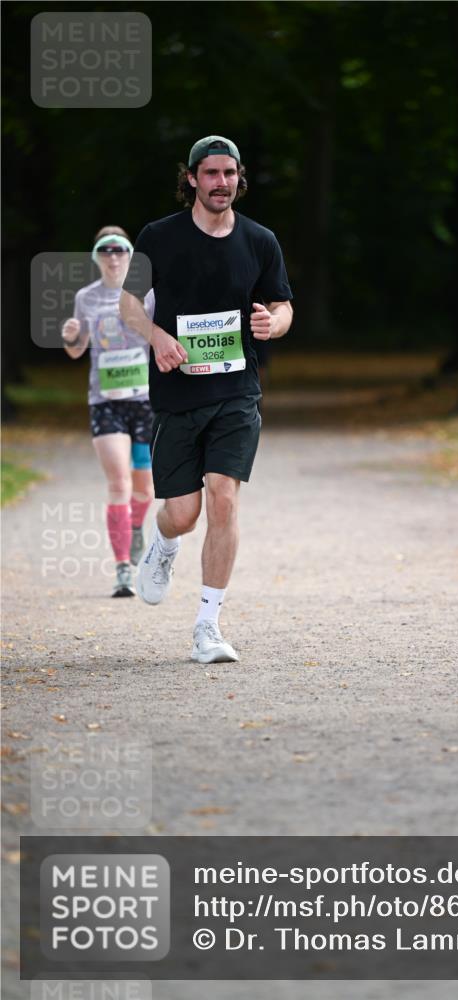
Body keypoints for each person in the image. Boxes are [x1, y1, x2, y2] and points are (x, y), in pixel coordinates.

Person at [119, 135, 293, 663]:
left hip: (237, 392)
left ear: (241, 178)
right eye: (211, 174)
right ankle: (164, 542)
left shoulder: (260, 241)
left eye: (230, 174)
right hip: (177, 395)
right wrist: (157, 337)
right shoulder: (159, 237)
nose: (222, 183)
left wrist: (272, 323)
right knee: (184, 514)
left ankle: (208, 626)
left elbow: (284, 307)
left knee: (223, 497)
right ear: (192, 178)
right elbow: (128, 307)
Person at [62, 226, 155, 598]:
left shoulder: (145, 295)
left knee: (145, 488)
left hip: (145, 401)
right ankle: (122, 570)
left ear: (130, 256)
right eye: (106, 250)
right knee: (119, 483)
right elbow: (75, 349)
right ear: (97, 257)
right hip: (106, 403)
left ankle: (134, 528)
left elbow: (158, 336)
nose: (113, 256)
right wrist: (71, 335)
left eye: (120, 250)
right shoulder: (86, 297)